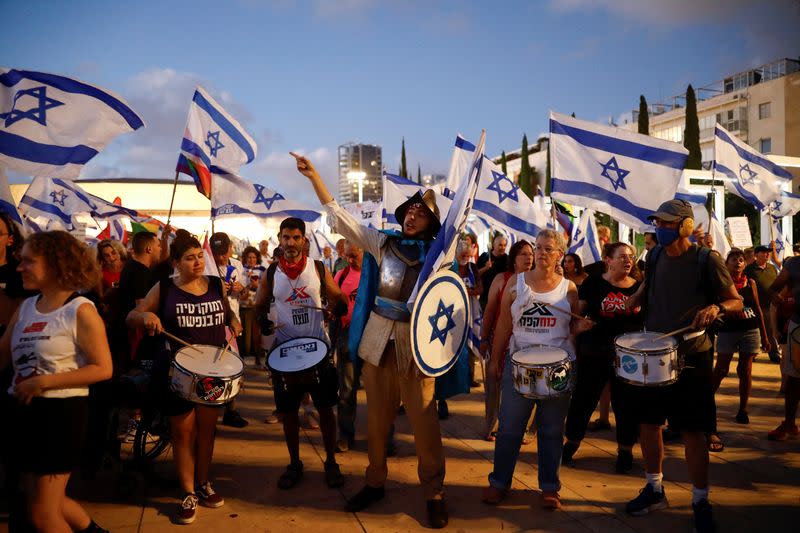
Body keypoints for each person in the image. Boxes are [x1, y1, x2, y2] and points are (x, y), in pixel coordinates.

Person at [291, 151, 450, 529]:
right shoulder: (382, 243)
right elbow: (343, 221)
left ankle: (434, 492)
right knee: (376, 422)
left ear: (431, 222)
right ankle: (375, 481)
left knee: (425, 422)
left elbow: (447, 299)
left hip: (416, 348)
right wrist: (316, 178)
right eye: (409, 211)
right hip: (379, 340)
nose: (412, 216)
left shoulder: (440, 256)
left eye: (421, 213)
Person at [622, 199, 741, 533]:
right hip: (654, 352)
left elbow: (736, 299)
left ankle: (701, 499)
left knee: (693, 431)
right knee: (648, 423)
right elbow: (652, 281)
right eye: (658, 222)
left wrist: (716, 308)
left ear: (686, 226)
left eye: (667, 223)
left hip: (692, 356)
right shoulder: (656, 255)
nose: (660, 228)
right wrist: (636, 296)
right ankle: (654, 488)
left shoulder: (707, 259)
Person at [0, 231, 113, 533]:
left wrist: (44, 383)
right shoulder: (24, 308)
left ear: (55, 264)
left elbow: (103, 368)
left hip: (60, 415)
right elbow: (2, 356)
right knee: (41, 499)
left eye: (28, 261)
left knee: (42, 513)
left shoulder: (80, 310)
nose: (19, 267)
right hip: (23, 413)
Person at [127, 234, 243, 525]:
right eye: (190, 258)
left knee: (207, 431)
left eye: (200, 256)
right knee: (182, 433)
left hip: (213, 372)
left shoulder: (216, 285)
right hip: (177, 372)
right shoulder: (165, 287)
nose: (197, 262)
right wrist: (145, 318)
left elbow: (227, 314)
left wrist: (234, 322)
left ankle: (204, 483)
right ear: (176, 262)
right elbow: (132, 315)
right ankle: (188, 491)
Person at [483, 229, 588, 510]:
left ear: (560, 255)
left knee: (552, 431)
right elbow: (504, 324)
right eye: (538, 247)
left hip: (558, 371)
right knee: (509, 429)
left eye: (548, 249)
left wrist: (582, 325)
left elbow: (572, 326)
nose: (541, 253)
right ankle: (499, 482)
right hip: (520, 367)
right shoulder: (516, 285)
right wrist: (495, 360)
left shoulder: (569, 289)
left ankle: (550, 488)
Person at [255, 217, 346, 490]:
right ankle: (294, 463)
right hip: (285, 353)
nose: (291, 243)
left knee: (326, 411)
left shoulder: (317, 268)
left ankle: (331, 461)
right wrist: (263, 321)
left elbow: (339, 299)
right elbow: (260, 305)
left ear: (304, 240)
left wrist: (335, 309)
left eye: (296, 238)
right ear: (279, 239)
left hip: (317, 349)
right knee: (289, 412)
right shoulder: (271, 272)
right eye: (286, 238)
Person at [562, 242, 642, 472]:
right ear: (608, 260)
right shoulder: (594, 283)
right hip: (595, 351)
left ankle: (625, 451)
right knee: (583, 400)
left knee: (626, 404)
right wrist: (579, 323)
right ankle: (571, 444)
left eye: (631, 257)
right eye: (622, 256)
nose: (628, 260)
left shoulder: (639, 288)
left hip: (627, 358)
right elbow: (579, 312)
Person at [479, 240, 534, 441]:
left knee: (525, 386)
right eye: (523, 254)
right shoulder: (502, 279)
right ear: (514, 258)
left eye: (531, 254)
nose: (529, 258)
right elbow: (490, 310)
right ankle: (492, 426)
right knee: (495, 385)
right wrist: (484, 338)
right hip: (499, 339)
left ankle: (523, 428)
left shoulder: (537, 281)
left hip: (527, 343)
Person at [712, 248, 770, 424]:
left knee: (745, 371)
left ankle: (743, 409)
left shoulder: (750, 283)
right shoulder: (721, 283)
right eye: (734, 259)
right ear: (726, 263)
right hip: (728, 331)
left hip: (750, 330)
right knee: (721, 369)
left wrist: (765, 336)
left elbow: (758, 308)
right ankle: (705, 404)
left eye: (741, 259)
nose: (738, 262)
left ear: (745, 264)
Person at [210, 232, 249, 428]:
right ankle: (211, 408)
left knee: (235, 367)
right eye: (216, 253)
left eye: (223, 252)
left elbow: (245, 294)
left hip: (234, 323)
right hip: (214, 323)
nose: (220, 257)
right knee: (215, 367)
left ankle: (231, 410)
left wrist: (240, 288)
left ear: (230, 248)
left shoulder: (238, 265)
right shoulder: (207, 266)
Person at [331, 240, 363, 452]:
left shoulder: (376, 274)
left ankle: (385, 439)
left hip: (372, 338)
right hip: (346, 338)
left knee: (382, 394)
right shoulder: (341, 275)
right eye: (347, 256)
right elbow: (333, 303)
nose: (350, 260)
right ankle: (345, 436)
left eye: (354, 255)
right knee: (346, 391)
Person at [765, 254, 800, 441]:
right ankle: (789, 423)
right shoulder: (794, 264)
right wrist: (776, 298)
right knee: (793, 378)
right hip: (798, 328)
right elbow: (772, 290)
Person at [746, 245, 781, 363]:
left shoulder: (772, 268)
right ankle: (751, 353)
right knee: (755, 330)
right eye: (764, 252)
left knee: (770, 330)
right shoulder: (749, 269)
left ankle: (774, 353)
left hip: (770, 305)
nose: (767, 254)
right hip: (755, 306)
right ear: (756, 255)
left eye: (768, 252)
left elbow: (777, 283)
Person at [456, 239, 483, 389]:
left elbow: (480, 288)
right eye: (463, 254)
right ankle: (456, 379)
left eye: (468, 255)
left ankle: (470, 377)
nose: (466, 257)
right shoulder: (451, 267)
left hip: (471, 311)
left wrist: (469, 292)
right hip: (454, 312)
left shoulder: (472, 267)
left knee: (471, 344)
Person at [240, 246, 266, 367]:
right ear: (245, 258)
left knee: (257, 334)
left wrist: (257, 285)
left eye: (254, 257)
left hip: (256, 305)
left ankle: (258, 358)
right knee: (244, 335)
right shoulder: (240, 269)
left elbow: (266, 287)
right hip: (243, 305)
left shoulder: (262, 270)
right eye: (249, 257)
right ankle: (243, 358)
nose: (251, 260)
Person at [478, 234, 509, 309]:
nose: (503, 248)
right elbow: (475, 275)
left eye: (505, 245)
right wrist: (485, 268)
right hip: (485, 298)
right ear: (493, 245)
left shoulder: (508, 259)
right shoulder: (484, 257)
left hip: (502, 298)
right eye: (500, 245)